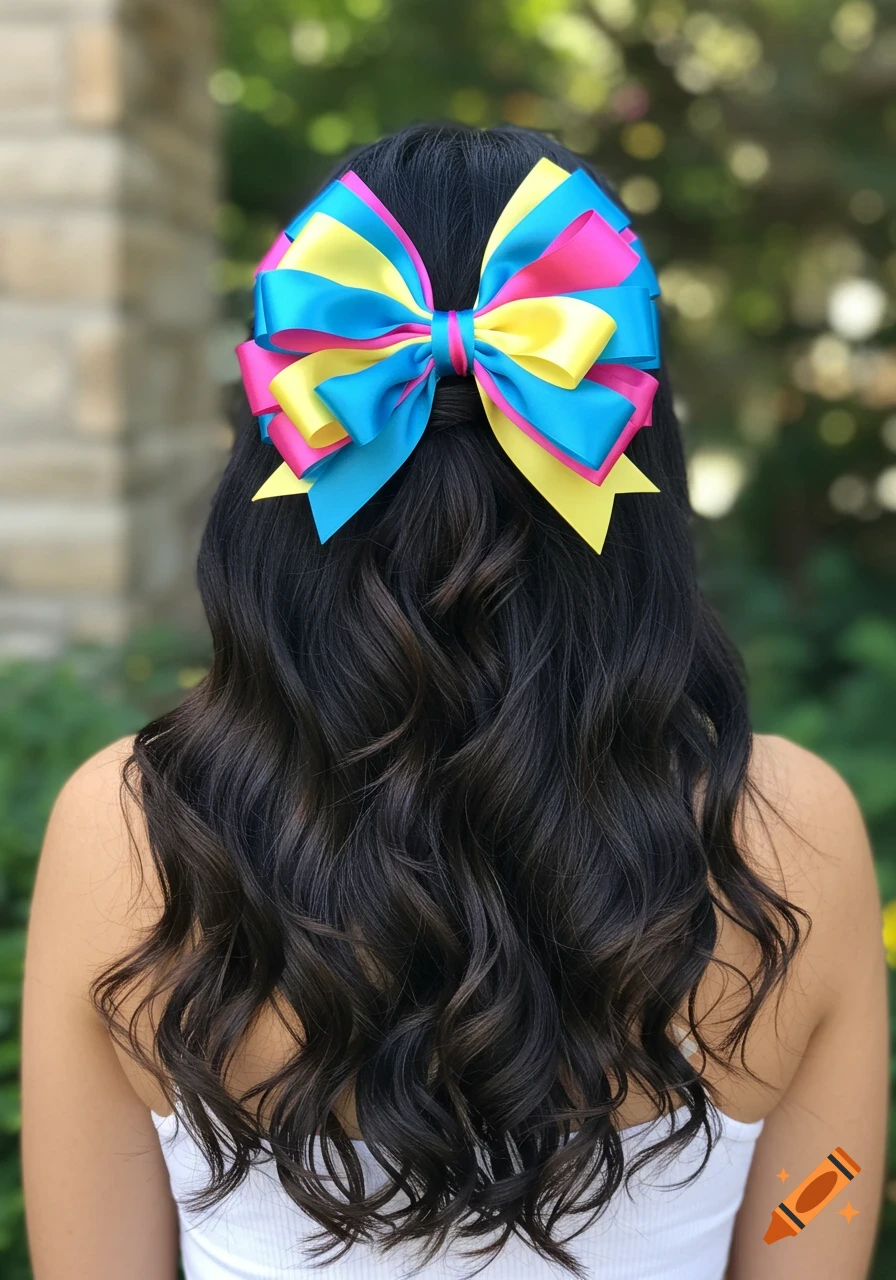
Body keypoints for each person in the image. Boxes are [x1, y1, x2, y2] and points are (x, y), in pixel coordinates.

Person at [21, 123, 887, 1280]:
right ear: (638, 449)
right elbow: (806, 1217)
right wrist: (794, 1208)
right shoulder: (790, 836)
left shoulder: (127, 830)